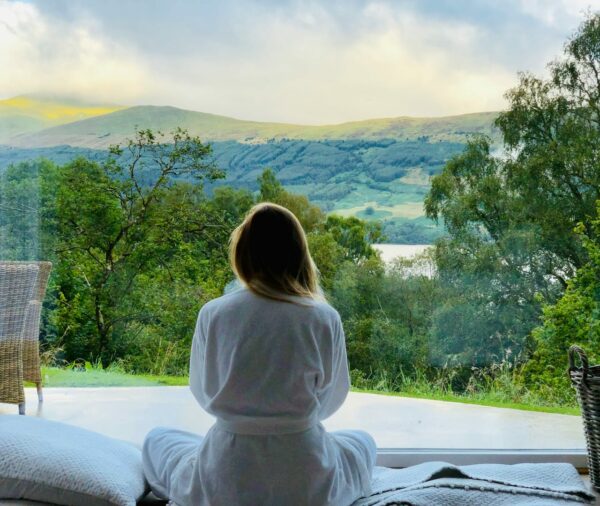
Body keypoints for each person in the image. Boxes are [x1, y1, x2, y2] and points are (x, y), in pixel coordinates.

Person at [142, 202, 377, 506]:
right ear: (298, 254)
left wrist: (245, 418)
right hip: (305, 473)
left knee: (156, 440)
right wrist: (293, 420)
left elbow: (203, 391)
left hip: (226, 470)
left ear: (242, 254)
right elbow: (332, 396)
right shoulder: (323, 316)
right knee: (362, 442)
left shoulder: (213, 313)